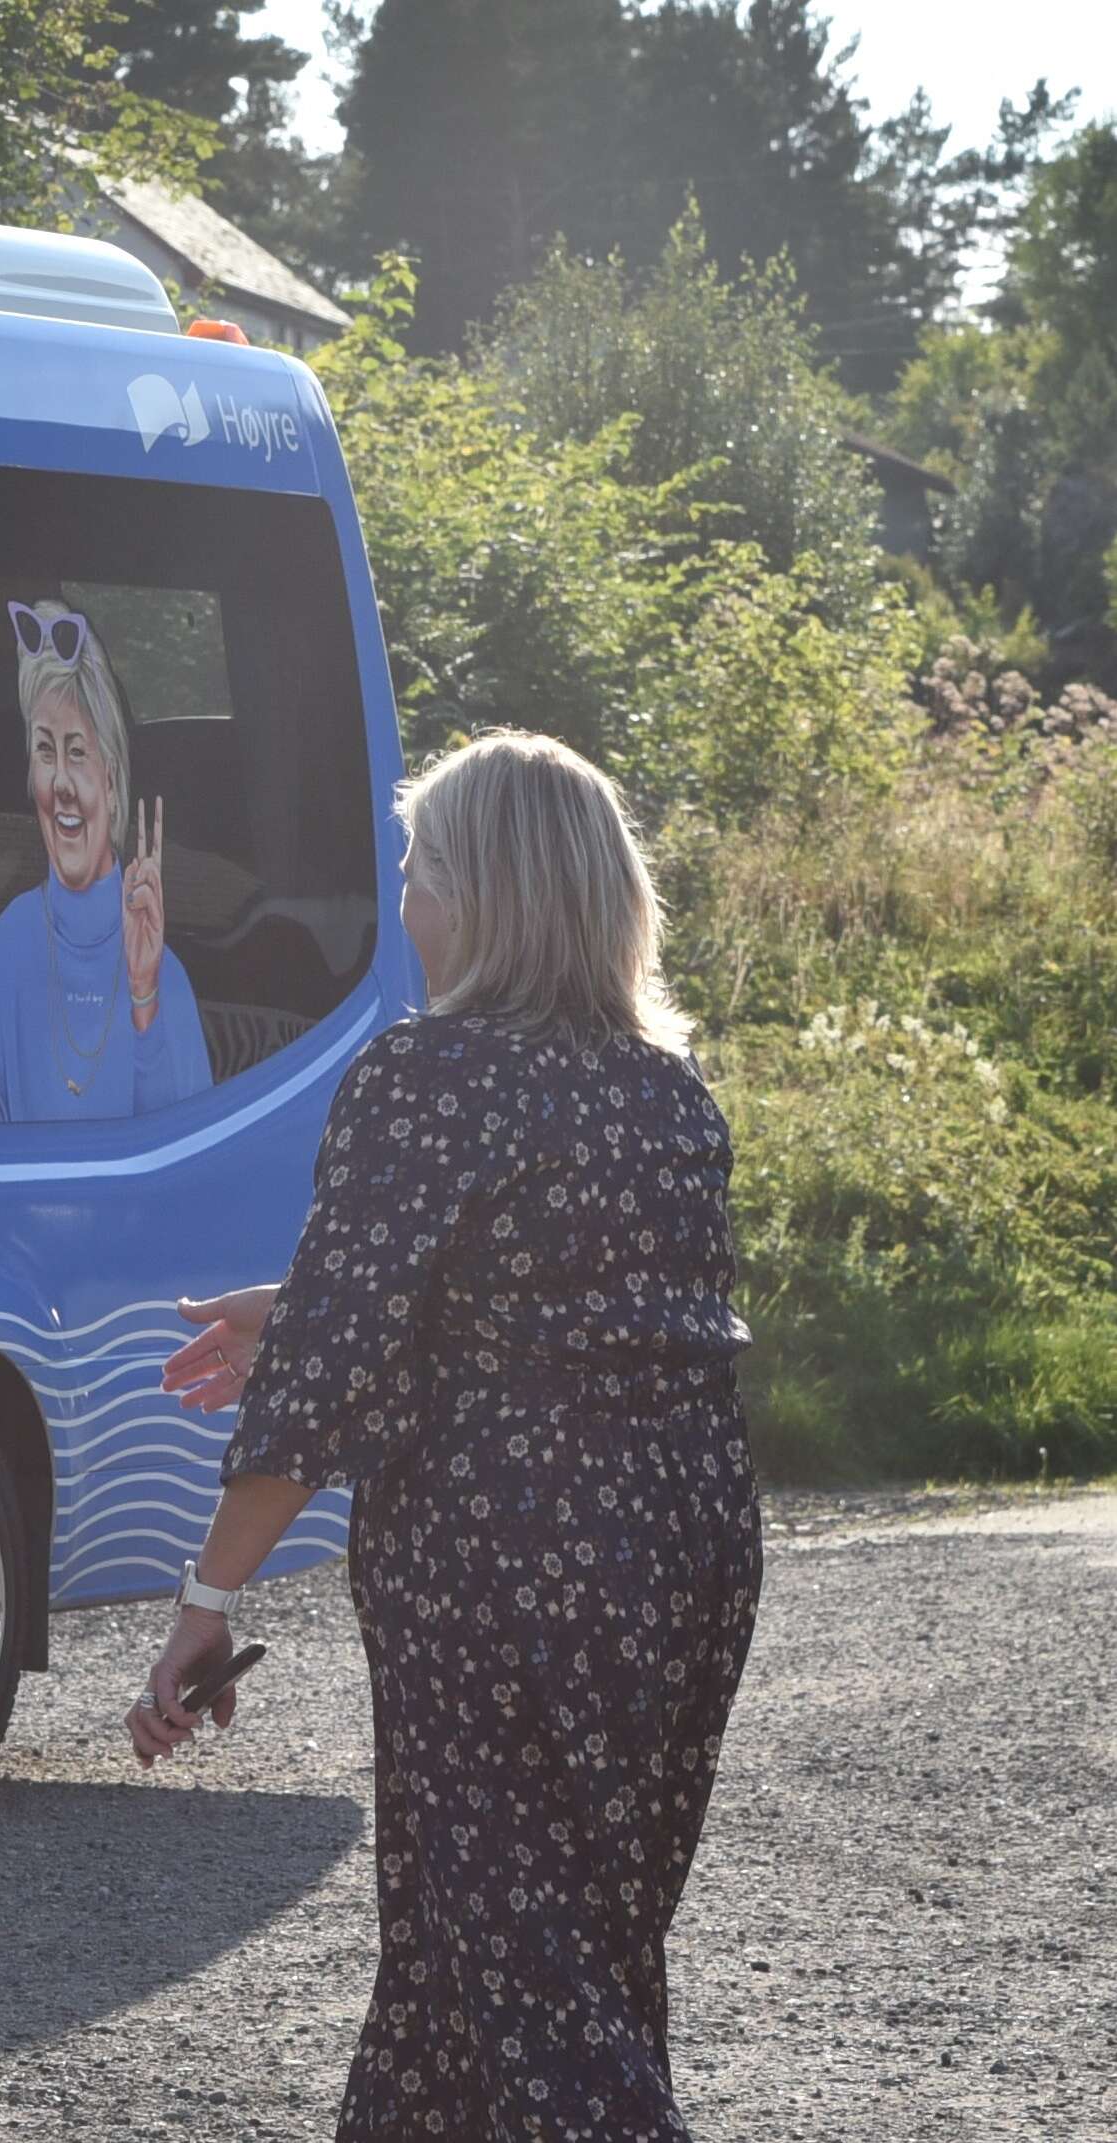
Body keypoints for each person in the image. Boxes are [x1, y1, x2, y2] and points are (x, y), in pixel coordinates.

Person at [130, 730, 762, 2141]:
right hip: (685, 1557)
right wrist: (300, 1304)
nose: (405, 904)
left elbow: (314, 1395)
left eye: (417, 872)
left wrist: (203, 1603)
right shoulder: (666, 1091)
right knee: (503, 1971)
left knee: (542, 2002)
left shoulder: (427, 1076)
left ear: (481, 894)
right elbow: (551, 1306)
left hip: (501, 1578)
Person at [0, 600, 213, 1121]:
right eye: (45, 751)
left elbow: (186, 1148)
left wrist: (143, 997)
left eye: (77, 752)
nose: (60, 782)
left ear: (111, 774)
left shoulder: (166, 973)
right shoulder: (10, 940)